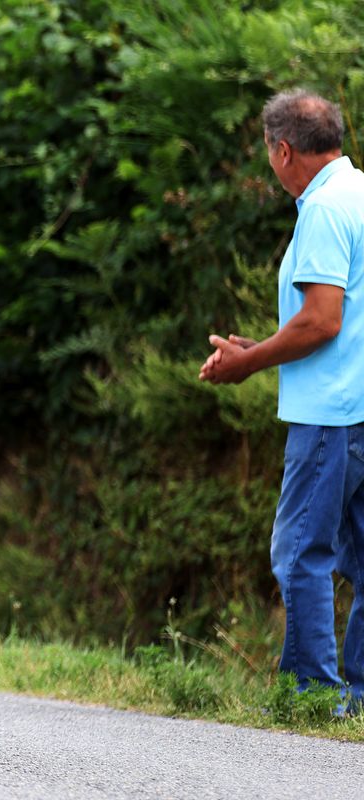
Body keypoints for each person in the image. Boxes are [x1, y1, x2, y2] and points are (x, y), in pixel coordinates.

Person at [200, 89, 364, 710]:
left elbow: (322, 320)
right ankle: (359, 696)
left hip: (329, 415)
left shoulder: (322, 208)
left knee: (300, 553)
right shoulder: (360, 192)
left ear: (284, 149)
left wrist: (248, 362)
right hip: (360, 405)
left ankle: (314, 695)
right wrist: (265, 343)